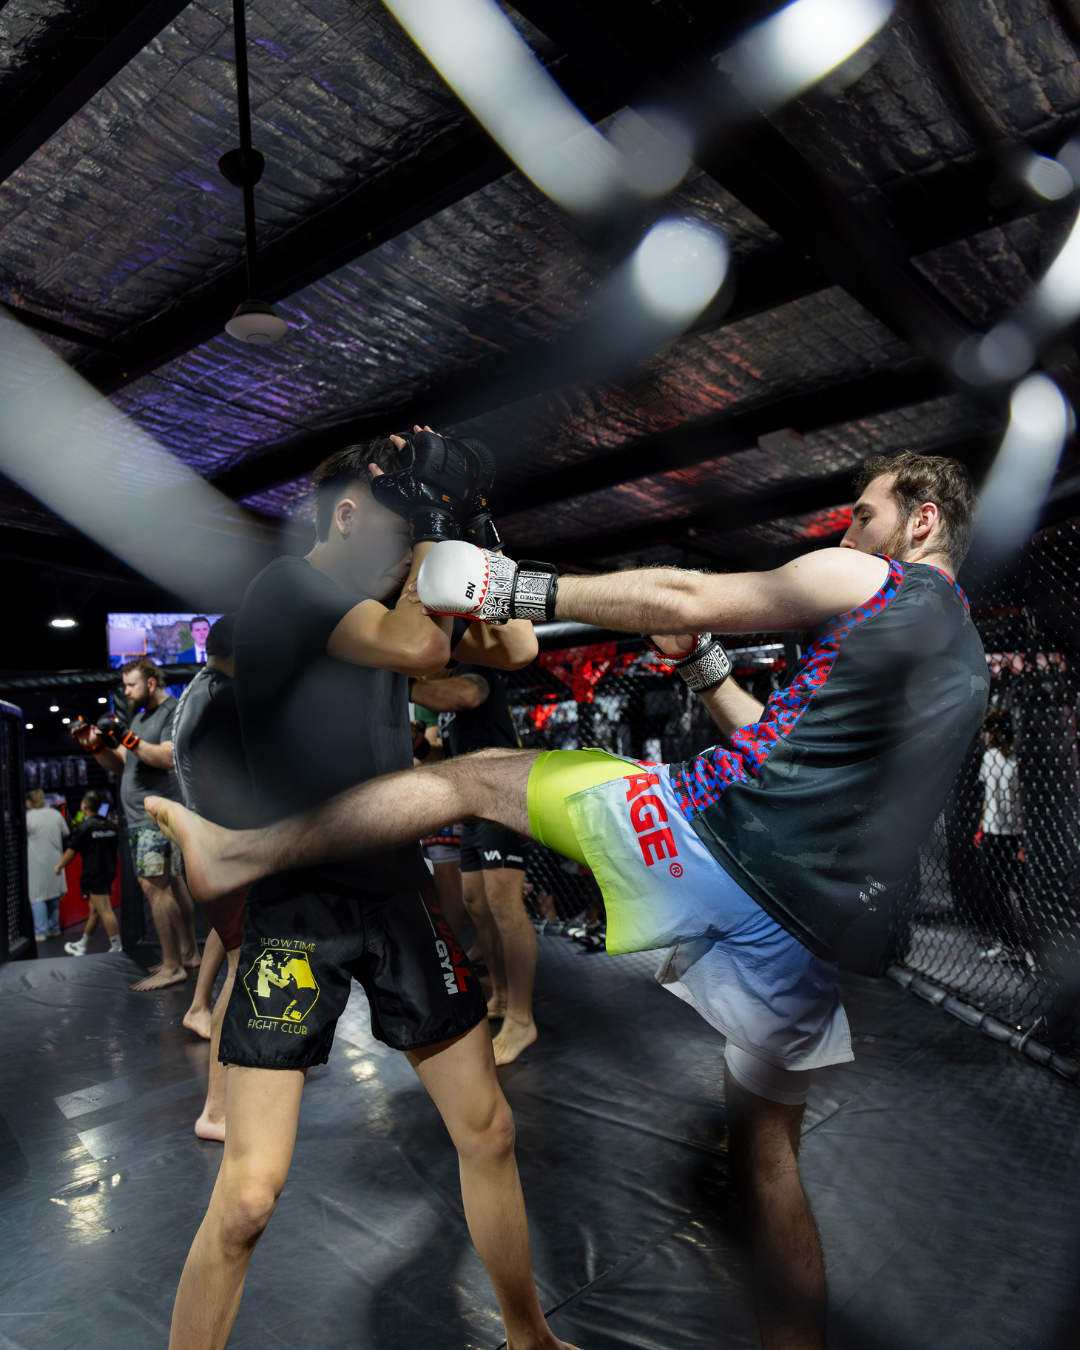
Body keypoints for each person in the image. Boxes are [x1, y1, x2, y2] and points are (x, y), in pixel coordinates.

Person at [151, 451, 987, 1350]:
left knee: (473, 806)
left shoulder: (882, 583)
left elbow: (596, 623)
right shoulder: (292, 587)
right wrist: (698, 665)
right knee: (767, 1158)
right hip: (802, 926)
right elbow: (770, 734)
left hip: (624, 858)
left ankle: (528, 1335)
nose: (846, 529)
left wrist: (495, 576)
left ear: (924, 521)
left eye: (863, 514)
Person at [153, 431, 576, 1350]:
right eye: (397, 523)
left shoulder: (380, 593)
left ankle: (529, 1336)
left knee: (490, 1130)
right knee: (249, 1198)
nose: (406, 544)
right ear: (346, 514)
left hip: (395, 891)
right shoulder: (290, 591)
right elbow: (424, 647)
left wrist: (473, 531)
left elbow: (518, 644)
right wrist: (434, 541)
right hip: (297, 904)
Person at [412, 666, 538, 1064]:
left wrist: (400, 681)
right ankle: (500, 996)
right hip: (475, 803)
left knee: (503, 902)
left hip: (506, 793)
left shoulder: (475, 671)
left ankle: (522, 1019)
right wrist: (420, 745)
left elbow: (466, 695)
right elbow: (444, 757)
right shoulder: (445, 693)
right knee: (475, 902)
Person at [70, 658, 200, 990]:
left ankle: (172, 966)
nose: (126, 692)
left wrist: (126, 737)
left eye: (131, 685)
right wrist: (96, 745)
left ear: (151, 683)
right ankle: (187, 954)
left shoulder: (172, 711)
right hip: (140, 816)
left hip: (157, 814)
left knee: (153, 887)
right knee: (170, 882)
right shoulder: (141, 717)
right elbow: (122, 764)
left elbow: (166, 757)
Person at [171, 614, 252, 1140]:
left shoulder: (202, 691)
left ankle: (204, 1012)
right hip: (224, 848)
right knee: (247, 969)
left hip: (216, 847)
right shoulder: (220, 696)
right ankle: (217, 1110)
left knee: (242, 955)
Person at [974, 710, 1029, 964]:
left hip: (1009, 833)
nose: (984, 735)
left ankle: (1021, 944)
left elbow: (1024, 801)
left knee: (1011, 889)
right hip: (1001, 832)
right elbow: (988, 796)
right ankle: (1013, 943)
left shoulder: (1011, 759)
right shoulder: (995, 757)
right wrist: (982, 826)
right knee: (1001, 887)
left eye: (988, 730)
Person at [58, 791, 121, 955]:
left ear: (84, 806)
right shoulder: (110, 825)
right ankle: (83, 945)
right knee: (95, 910)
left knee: (105, 909)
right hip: (108, 872)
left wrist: (59, 866)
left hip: (94, 874)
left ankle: (117, 947)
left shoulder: (85, 827)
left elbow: (71, 851)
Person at [25, 788, 69, 941]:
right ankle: (54, 928)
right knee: (53, 895)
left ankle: (41, 932)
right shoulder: (55, 814)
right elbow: (66, 832)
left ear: (29, 801)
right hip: (55, 861)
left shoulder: (29, 817)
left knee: (37, 897)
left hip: (36, 863)